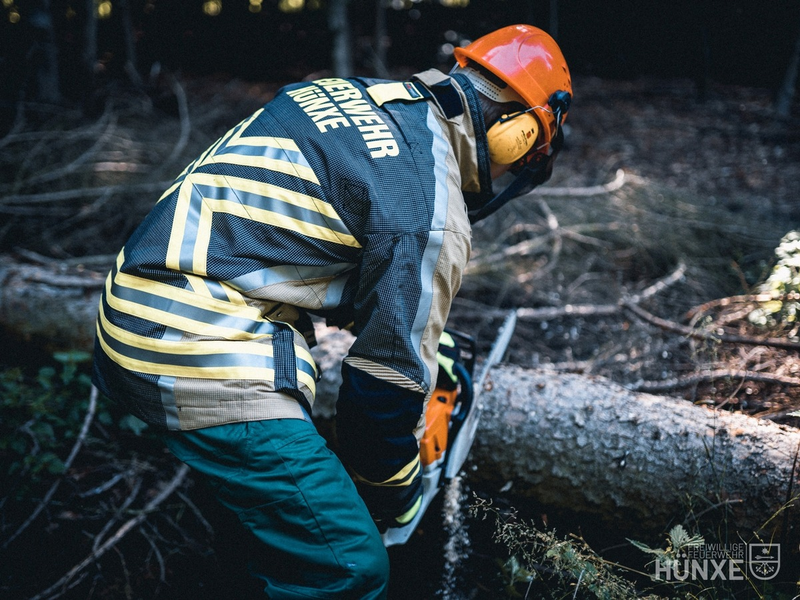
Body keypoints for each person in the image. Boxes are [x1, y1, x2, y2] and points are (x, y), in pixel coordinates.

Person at [91, 23, 572, 599]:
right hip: (196, 348)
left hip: (131, 305)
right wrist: (398, 492)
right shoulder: (432, 211)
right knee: (347, 567)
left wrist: (399, 324)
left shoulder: (344, 96)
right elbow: (380, 398)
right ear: (518, 135)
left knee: (274, 531)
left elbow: (296, 233)